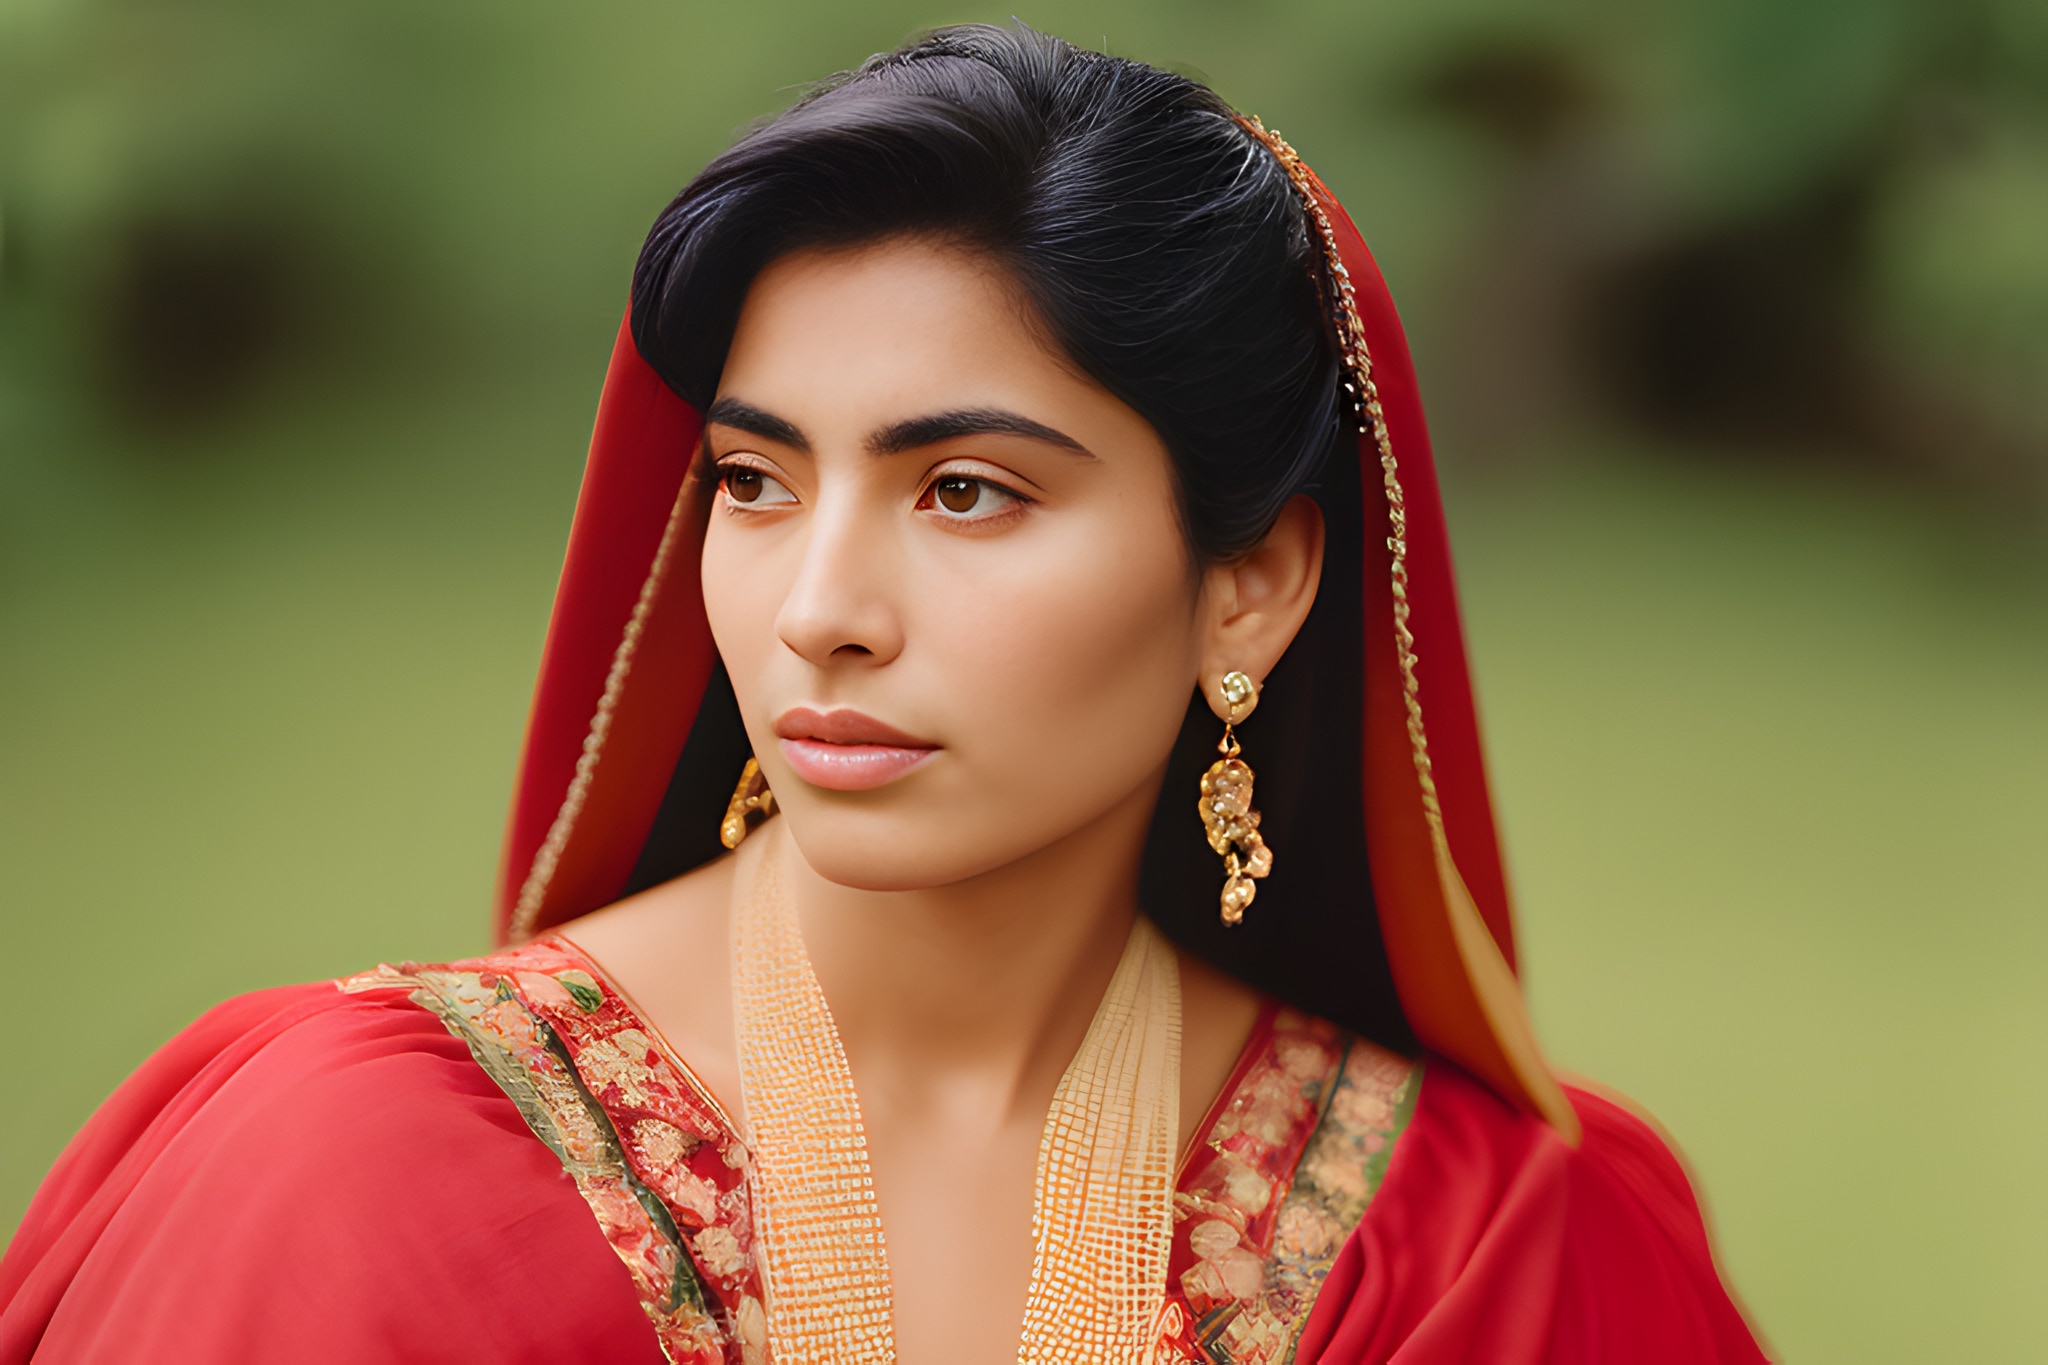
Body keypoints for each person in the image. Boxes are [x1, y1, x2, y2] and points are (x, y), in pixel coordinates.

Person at [0, 23, 1767, 1364]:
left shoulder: (1493, 1258)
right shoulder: (352, 1178)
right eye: (757, 483)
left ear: (1253, 582)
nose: (818, 612)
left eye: (967, 490)